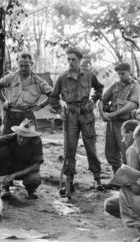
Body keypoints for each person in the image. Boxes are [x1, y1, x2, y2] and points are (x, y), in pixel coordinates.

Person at [50, 48, 104, 197]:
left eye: (73, 59)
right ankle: (69, 181)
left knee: (90, 146)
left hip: (86, 113)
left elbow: (99, 88)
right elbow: (53, 98)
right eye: (68, 59)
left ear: (79, 60)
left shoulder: (88, 74)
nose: (71, 62)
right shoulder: (62, 78)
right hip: (71, 115)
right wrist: (60, 112)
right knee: (70, 148)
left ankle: (97, 179)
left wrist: (93, 100)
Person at [0, 51, 53, 135]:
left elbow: (53, 95)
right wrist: (4, 101)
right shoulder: (12, 77)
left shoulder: (39, 81)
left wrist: (40, 106)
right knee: (6, 142)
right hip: (11, 114)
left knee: (30, 142)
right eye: (21, 66)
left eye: (26, 66)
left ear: (31, 64)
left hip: (28, 115)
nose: (23, 68)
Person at [99, 63, 140, 175]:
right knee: (111, 153)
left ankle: (130, 180)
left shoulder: (135, 86)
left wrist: (114, 114)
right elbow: (102, 100)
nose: (121, 76)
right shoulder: (115, 86)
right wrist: (103, 114)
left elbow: (132, 105)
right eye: (119, 74)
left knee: (127, 152)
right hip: (112, 124)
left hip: (125, 125)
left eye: (123, 73)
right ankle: (118, 178)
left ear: (129, 72)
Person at [104, 119, 140, 218]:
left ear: (131, 133)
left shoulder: (132, 149)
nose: (122, 140)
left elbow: (133, 182)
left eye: (124, 136)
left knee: (110, 204)